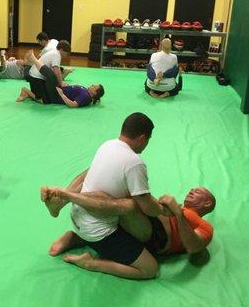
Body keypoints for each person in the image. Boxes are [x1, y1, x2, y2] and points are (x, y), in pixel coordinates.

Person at [39, 113, 170, 279]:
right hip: (98, 232)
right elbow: (147, 208)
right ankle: (91, 262)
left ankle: (75, 236)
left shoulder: (107, 145)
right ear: (143, 138)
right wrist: (164, 210)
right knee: (150, 269)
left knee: (94, 174)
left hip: (78, 215)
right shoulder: (135, 162)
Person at [42, 186, 215, 258]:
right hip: (146, 222)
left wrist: (178, 214)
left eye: (198, 191)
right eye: (193, 189)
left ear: (207, 203)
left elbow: (193, 247)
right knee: (121, 181)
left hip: (155, 239)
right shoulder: (176, 205)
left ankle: (76, 236)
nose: (192, 190)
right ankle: (61, 201)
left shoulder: (204, 226)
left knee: (127, 205)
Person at [17, 50, 104, 107]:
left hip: (56, 95)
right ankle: (26, 89)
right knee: (44, 97)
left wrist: (62, 94)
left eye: (94, 86)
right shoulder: (86, 92)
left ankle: (33, 60)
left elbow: (73, 105)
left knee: (51, 77)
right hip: (59, 90)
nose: (92, 85)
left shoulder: (86, 97)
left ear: (95, 93)